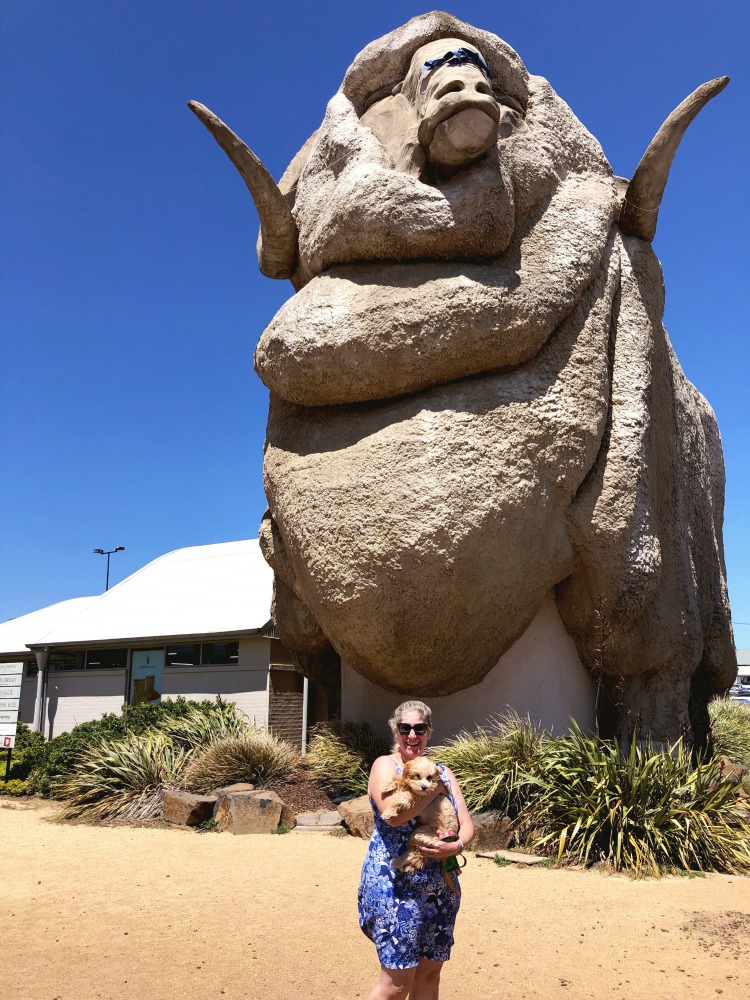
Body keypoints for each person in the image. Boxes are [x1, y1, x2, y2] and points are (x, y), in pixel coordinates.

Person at [358, 700, 474, 1000]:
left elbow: (466, 824)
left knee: (429, 975)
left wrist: (457, 845)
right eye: (405, 728)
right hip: (394, 883)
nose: (412, 735)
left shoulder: (443, 771)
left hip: (439, 888)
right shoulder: (385, 766)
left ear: (429, 732)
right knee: (396, 984)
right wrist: (433, 789)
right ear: (395, 731)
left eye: (419, 728)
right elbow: (394, 817)